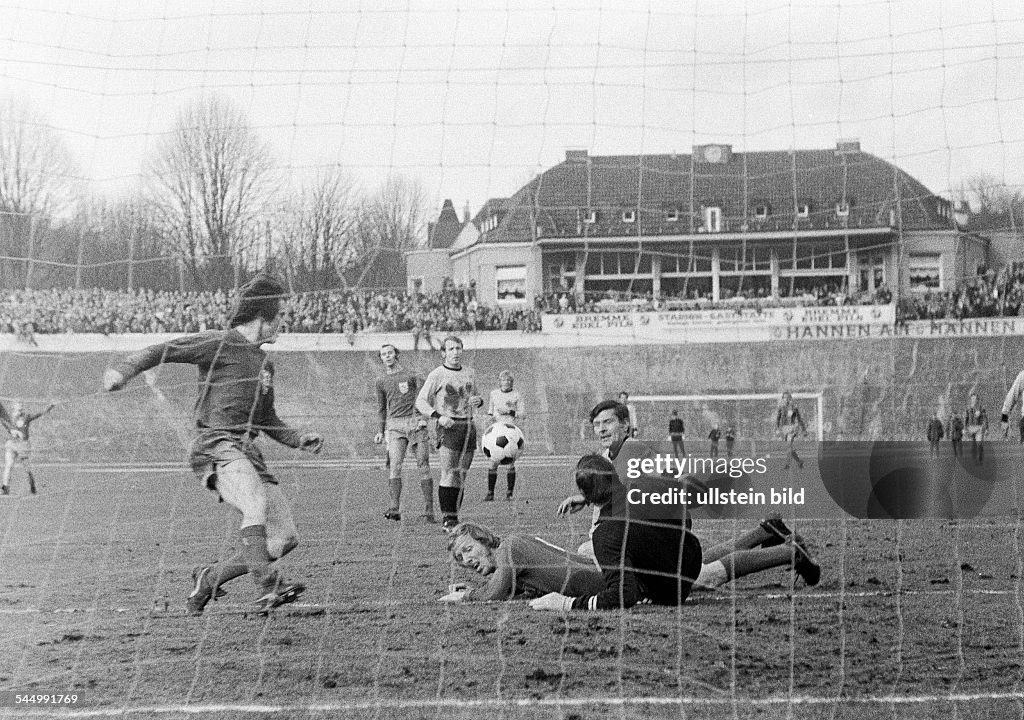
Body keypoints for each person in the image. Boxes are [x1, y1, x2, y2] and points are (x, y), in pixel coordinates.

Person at [103, 273, 324, 615]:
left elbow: (266, 417)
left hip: (247, 451)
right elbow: (164, 350)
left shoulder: (265, 364)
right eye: (280, 315)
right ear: (262, 316)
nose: (284, 322)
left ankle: (209, 578)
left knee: (284, 538)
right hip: (215, 443)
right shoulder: (220, 342)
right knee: (254, 503)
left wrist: (298, 438)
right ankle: (269, 586)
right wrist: (122, 372)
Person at [415, 335, 484, 530]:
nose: (455, 352)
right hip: (448, 427)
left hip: (468, 426)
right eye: (451, 349)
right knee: (448, 473)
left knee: (461, 475)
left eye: (458, 348)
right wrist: (438, 416)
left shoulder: (470, 372)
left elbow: (476, 396)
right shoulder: (437, 374)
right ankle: (448, 519)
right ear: (443, 353)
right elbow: (420, 401)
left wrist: (479, 401)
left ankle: (455, 517)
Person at [439, 522, 604, 602]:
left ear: (484, 540)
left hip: (598, 583)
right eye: (461, 557)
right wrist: (474, 590)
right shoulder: (512, 543)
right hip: (596, 576)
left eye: (468, 549)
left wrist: (466, 596)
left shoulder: (508, 549)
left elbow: (494, 593)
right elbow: (509, 590)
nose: (466, 560)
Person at [374, 343, 434, 523]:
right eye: (383, 354)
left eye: (390, 353)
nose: (387, 356)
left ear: (396, 354)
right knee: (395, 465)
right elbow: (381, 408)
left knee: (423, 463)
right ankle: (394, 508)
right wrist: (380, 431)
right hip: (395, 426)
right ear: (381, 358)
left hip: (415, 423)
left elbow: (426, 397)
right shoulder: (380, 381)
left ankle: (429, 509)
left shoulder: (411, 375)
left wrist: (423, 417)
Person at [485, 370, 525, 501]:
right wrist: (488, 422)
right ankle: (490, 493)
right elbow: (490, 413)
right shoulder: (494, 394)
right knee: (493, 463)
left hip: (511, 432)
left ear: (512, 382)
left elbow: (523, 414)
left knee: (510, 463)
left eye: (509, 380)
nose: (506, 382)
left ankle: (509, 493)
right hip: (496, 432)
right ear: (500, 381)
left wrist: (509, 411)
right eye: (504, 380)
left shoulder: (517, 395)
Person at [0, 400, 55, 496]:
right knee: (8, 466)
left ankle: (32, 484)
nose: (20, 410)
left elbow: (39, 414)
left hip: (23, 445)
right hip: (12, 444)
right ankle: (5, 488)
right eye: (18, 408)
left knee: (26, 468)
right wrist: (12, 430)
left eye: (21, 408)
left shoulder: (26, 417)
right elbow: (4, 422)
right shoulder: (9, 418)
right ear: (14, 408)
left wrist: (50, 407)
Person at [776, 392, 807, 470]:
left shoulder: (794, 408)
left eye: (788, 397)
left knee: (789, 445)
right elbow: (778, 419)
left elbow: (799, 419)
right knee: (789, 447)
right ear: (782, 399)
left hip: (793, 428)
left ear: (790, 398)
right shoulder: (781, 408)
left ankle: (787, 465)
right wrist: (777, 429)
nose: (786, 399)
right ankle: (799, 461)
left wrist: (804, 429)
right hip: (784, 428)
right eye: (784, 397)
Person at [964, 393, 988, 465]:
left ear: (977, 400)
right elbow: (966, 418)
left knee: (979, 443)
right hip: (970, 428)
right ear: (971, 399)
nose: (974, 400)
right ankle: (974, 460)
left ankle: (980, 458)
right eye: (972, 398)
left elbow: (985, 418)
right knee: (972, 445)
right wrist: (965, 428)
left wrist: (986, 428)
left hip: (979, 428)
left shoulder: (981, 408)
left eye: (975, 398)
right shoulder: (968, 408)